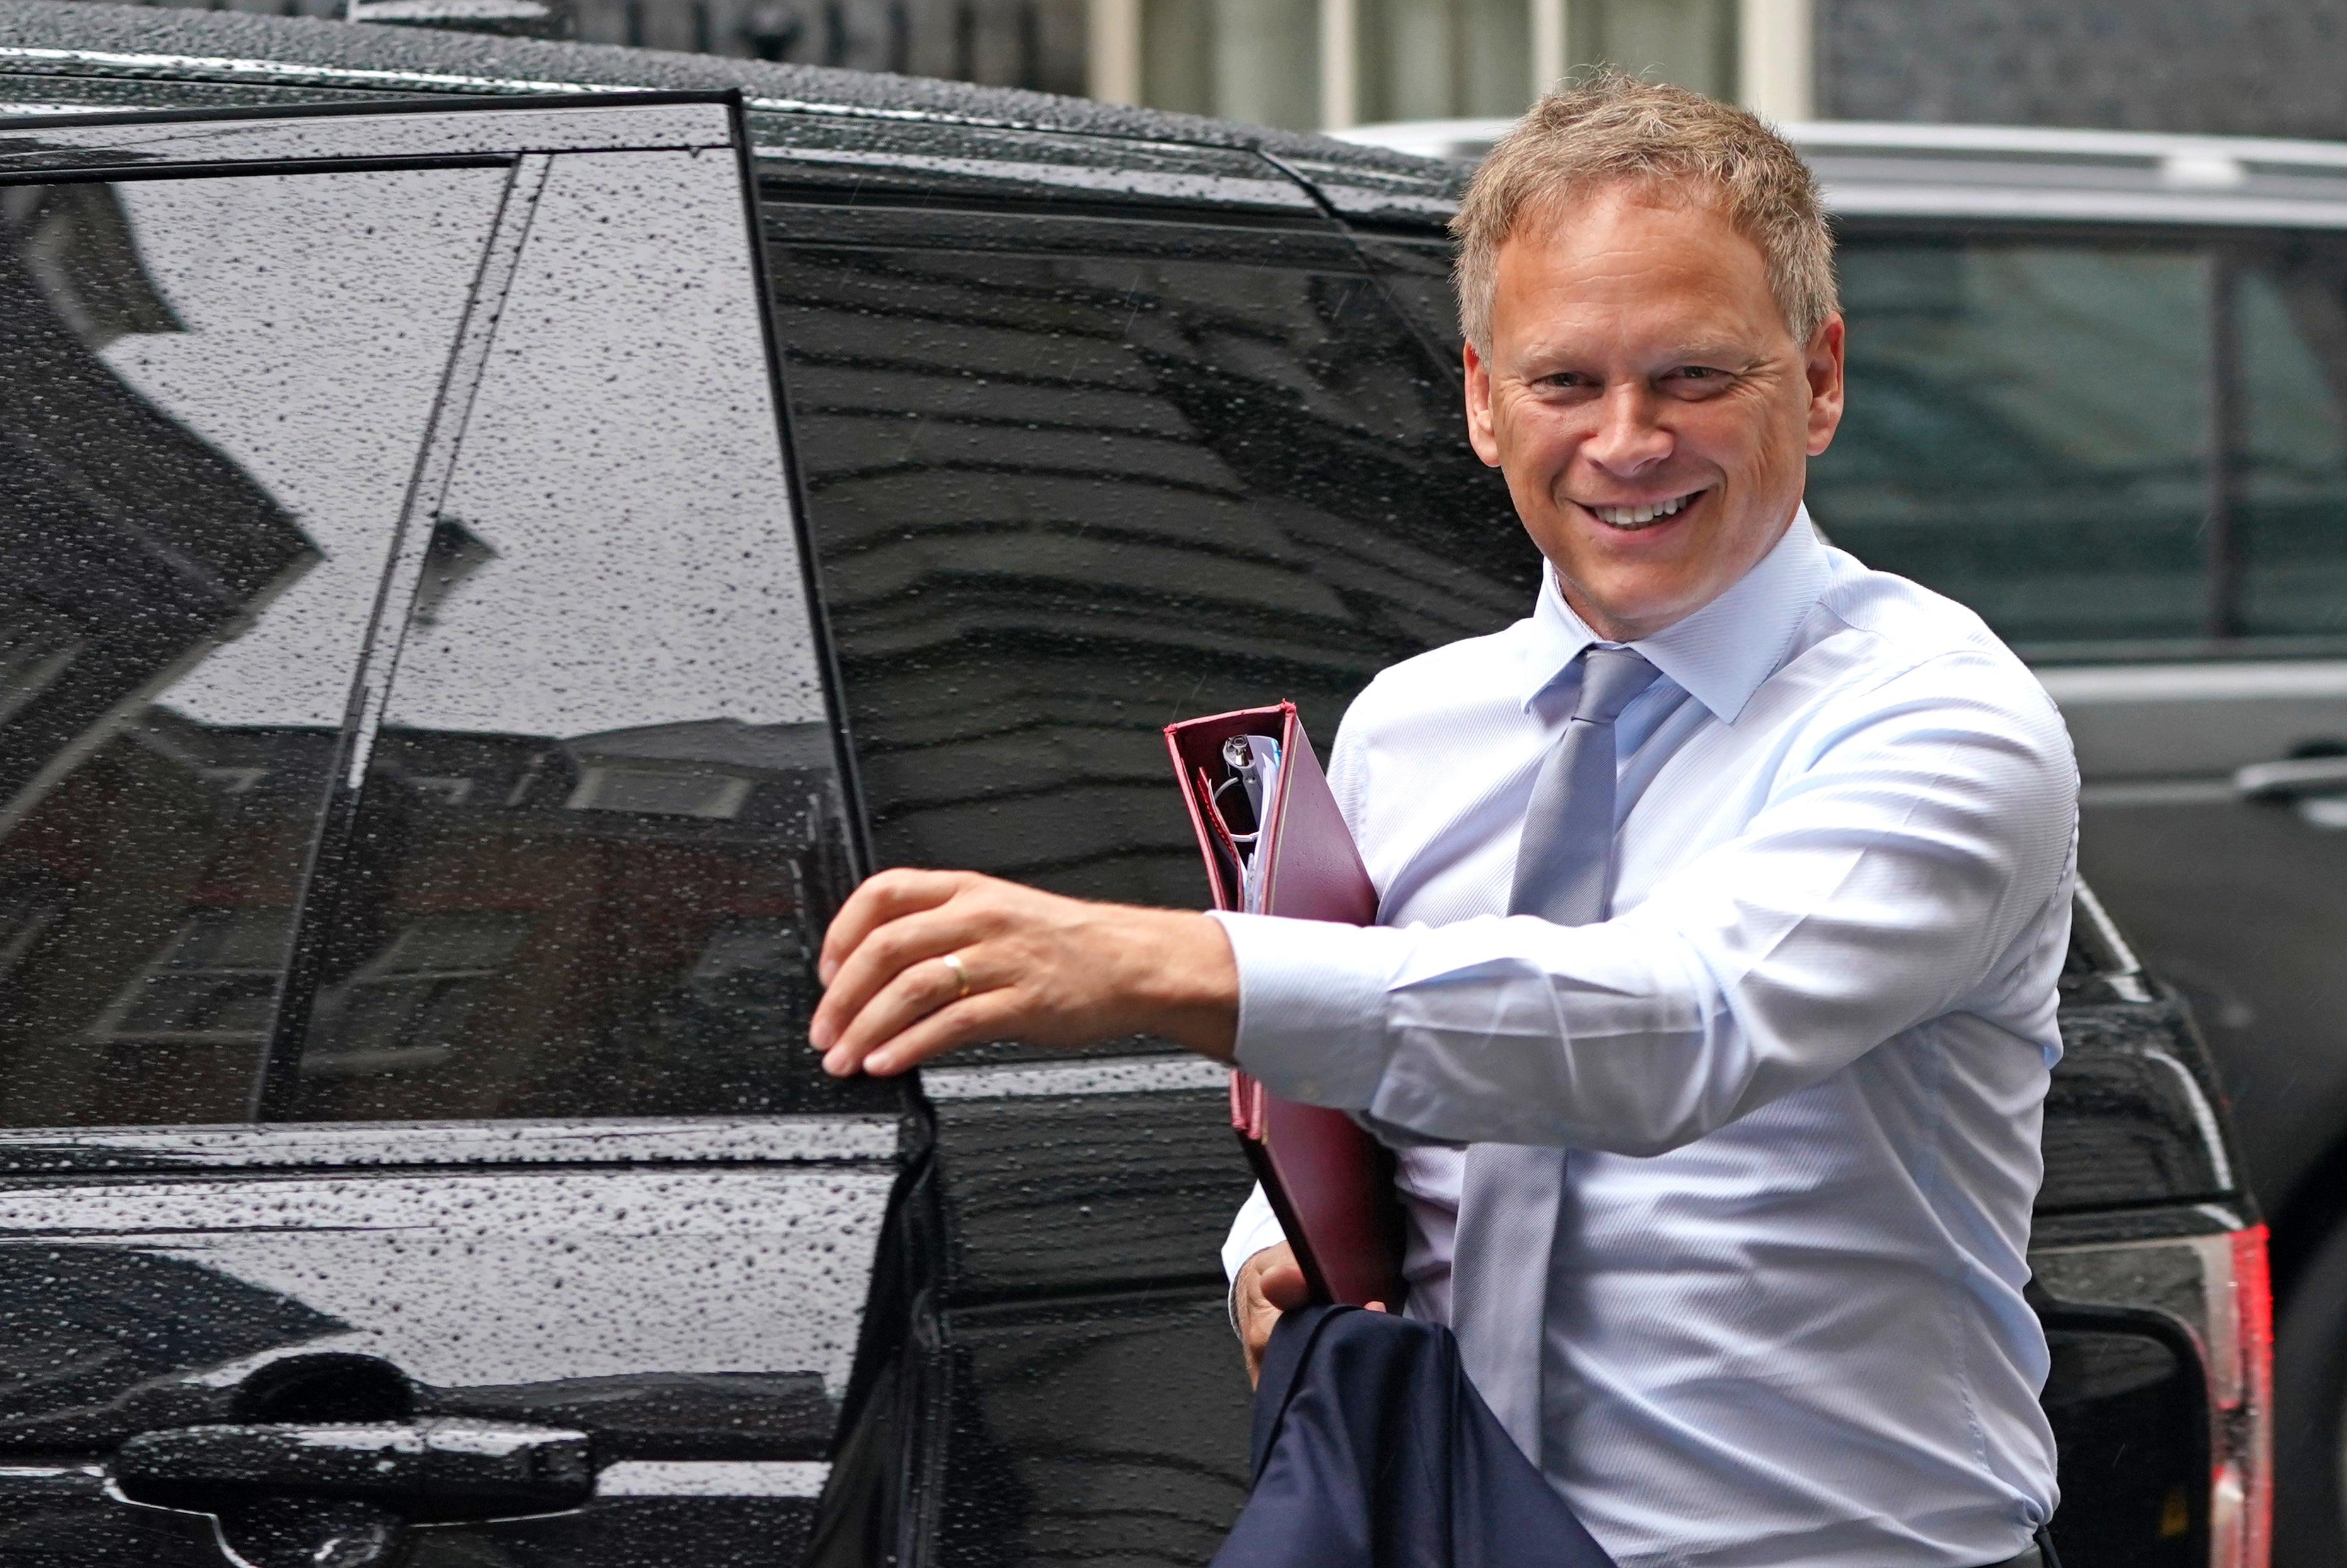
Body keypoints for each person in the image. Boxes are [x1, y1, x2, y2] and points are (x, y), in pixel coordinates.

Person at [809, 72, 2073, 1568]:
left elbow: (1683, 1022)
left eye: (1693, 377)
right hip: (1433, 1521)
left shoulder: (1941, 715)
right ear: (1481, 397)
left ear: (1820, 378)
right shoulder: (1415, 723)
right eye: (1565, 382)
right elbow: (1340, 1099)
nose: (1626, 440)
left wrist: (1172, 964)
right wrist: (1271, 1254)